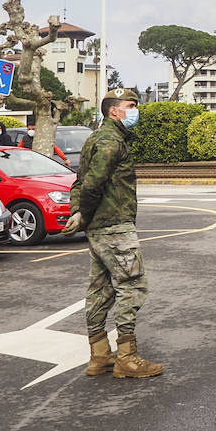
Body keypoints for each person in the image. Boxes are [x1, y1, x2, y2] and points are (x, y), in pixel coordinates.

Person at [57, 88, 164, 379]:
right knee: (132, 286)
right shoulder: (110, 141)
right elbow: (91, 185)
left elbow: (79, 183)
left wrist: (78, 213)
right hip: (114, 226)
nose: (135, 110)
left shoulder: (96, 138)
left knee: (100, 290)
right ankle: (126, 358)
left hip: (100, 228)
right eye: (130, 106)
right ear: (114, 111)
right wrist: (84, 214)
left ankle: (100, 355)